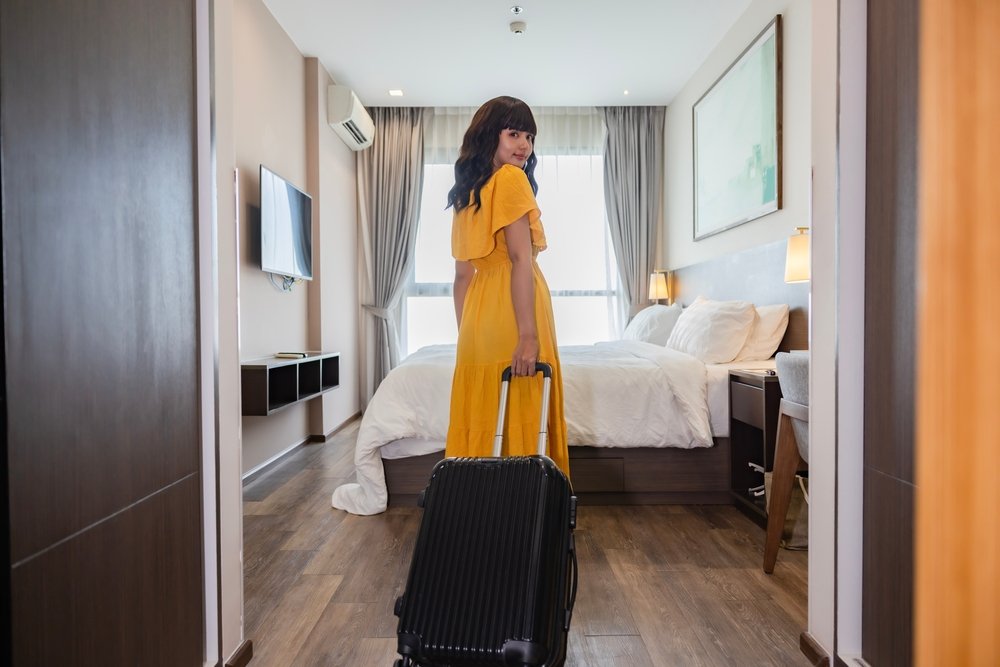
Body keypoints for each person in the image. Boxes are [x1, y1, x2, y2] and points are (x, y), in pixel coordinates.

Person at [444, 96, 570, 477]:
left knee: (484, 411)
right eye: (514, 133)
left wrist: (468, 335)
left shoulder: (466, 196)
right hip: (514, 313)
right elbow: (519, 261)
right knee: (524, 407)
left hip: (478, 319)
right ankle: (526, 517)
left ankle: (481, 513)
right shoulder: (511, 180)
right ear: (489, 135)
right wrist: (528, 335)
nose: (524, 145)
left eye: (529, 136)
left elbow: (463, 278)